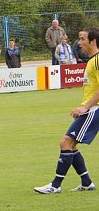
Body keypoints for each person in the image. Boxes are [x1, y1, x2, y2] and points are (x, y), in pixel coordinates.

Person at [34, 27, 99, 194]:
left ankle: (55, 186)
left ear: (93, 41)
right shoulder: (92, 60)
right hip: (90, 109)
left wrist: (86, 106)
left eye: (83, 39)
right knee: (70, 145)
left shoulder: (97, 61)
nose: (79, 43)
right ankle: (86, 182)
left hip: (94, 109)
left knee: (65, 143)